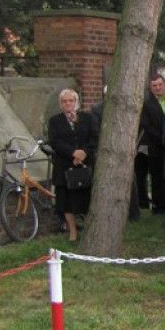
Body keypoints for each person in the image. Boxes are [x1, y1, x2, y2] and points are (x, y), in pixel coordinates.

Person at [47, 89, 98, 242]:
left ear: (76, 102)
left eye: (71, 101)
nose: (68, 104)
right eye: (65, 101)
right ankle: (72, 231)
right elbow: (54, 141)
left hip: (84, 164)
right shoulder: (55, 121)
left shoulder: (87, 118)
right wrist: (72, 153)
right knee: (66, 201)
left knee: (86, 198)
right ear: (61, 104)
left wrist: (83, 153)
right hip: (64, 164)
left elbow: (94, 138)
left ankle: (89, 229)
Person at [137, 73, 165, 214]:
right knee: (157, 177)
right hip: (156, 147)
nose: (158, 88)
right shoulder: (147, 105)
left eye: (160, 85)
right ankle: (159, 206)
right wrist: (163, 138)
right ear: (150, 88)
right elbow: (146, 126)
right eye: (154, 86)